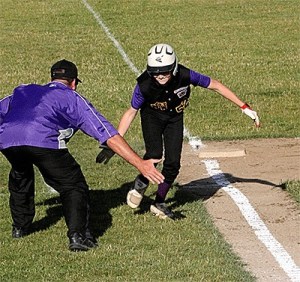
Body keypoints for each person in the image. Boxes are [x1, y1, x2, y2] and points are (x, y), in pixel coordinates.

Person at [0, 59, 164, 252]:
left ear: (52, 77)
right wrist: (140, 164)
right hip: (42, 139)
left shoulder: (23, 90)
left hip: (7, 140)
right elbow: (107, 133)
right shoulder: (72, 97)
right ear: (74, 82)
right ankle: (78, 236)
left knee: (20, 174)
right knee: (73, 185)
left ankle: (20, 227)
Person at [96, 43, 260, 219]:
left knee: (173, 163)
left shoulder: (185, 74)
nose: (160, 76)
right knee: (154, 154)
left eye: (165, 71)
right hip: (152, 117)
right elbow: (131, 112)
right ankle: (141, 182)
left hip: (175, 118)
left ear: (174, 67)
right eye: (155, 72)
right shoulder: (143, 85)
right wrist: (115, 142)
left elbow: (216, 85)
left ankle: (159, 202)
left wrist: (244, 107)